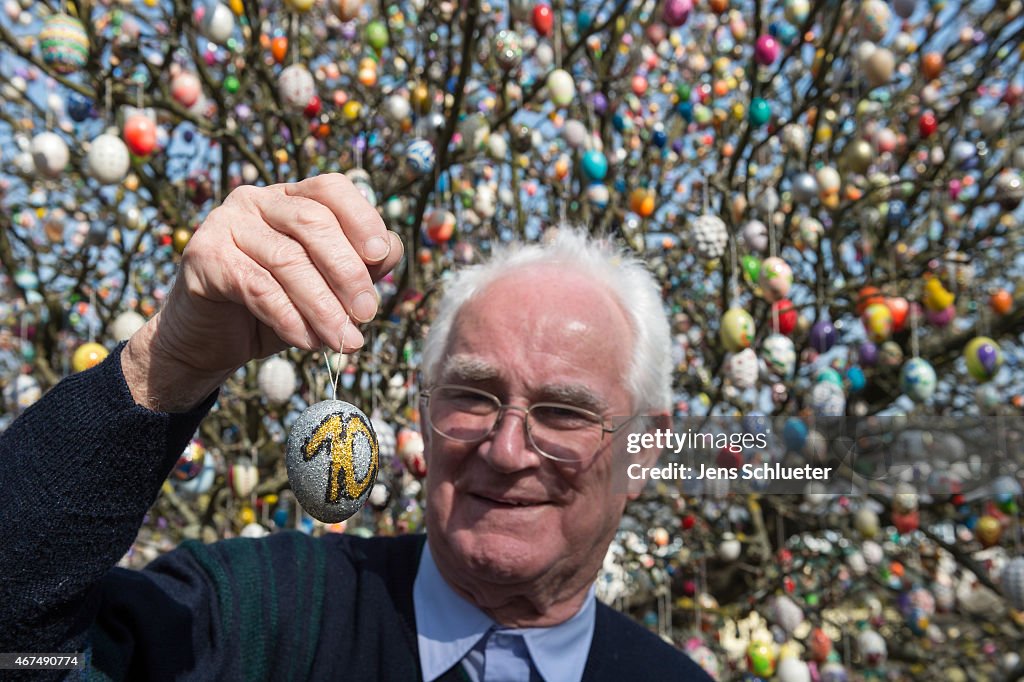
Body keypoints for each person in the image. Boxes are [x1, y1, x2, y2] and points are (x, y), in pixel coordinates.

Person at [0, 174, 712, 681]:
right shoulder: (255, 615)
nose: (504, 449)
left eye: (563, 412)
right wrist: (169, 364)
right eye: (471, 394)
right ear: (424, 419)